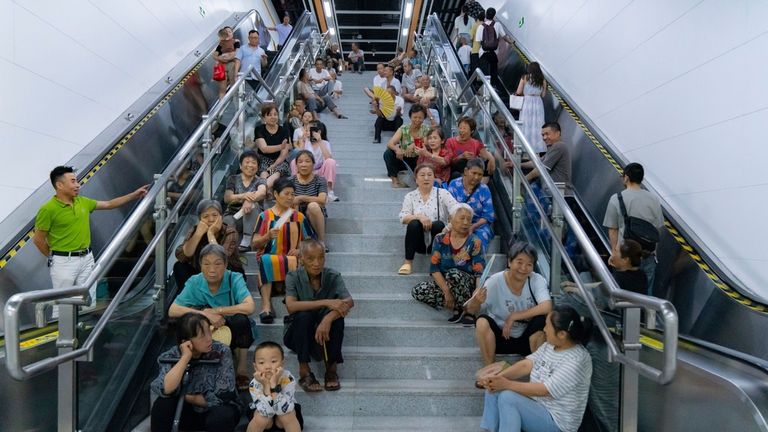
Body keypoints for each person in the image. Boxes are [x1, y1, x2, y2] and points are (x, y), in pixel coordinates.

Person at [33, 166, 148, 316]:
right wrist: (54, 257)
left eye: (77, 181)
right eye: (73, 181)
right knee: (63, 306)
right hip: (63, 262)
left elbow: (109, 204)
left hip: (87, 258)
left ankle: (84, 335)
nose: (77, 185)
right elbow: (38, 240)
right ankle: (61, 337)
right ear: (60, 185)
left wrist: (133, 195)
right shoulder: (48, 209)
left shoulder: (82, 202)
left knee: (88, 301)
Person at [476, 306, 594, 432]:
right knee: (494, 388)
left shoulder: (577, 360)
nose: (544, 329)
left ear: (562, 334)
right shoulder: (550, 345)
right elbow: (526, 364)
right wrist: (496, 379)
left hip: (557, 423)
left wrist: (506, 384)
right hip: (537, 406)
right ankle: (489, 430)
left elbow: (544, 390)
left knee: (508, 397)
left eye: (547, 326)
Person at [170, 244, 257, 388]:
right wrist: (205, 314)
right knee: (187, 322)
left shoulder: (234, 278)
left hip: (231, 326)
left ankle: (241, 369)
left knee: (241, 320)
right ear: (200, 265)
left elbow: (250, 306)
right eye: (206, 264)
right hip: (208, 330)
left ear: (225, 265)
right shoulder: (195, 281)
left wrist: (217, 311)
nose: (212, 270)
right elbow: (173, 310)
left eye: (217, 264)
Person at [150, 313, 241, 432]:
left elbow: (223, 396)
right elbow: (166, 389)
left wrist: (187, 397)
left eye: (209, 331)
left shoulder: (221, 351)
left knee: (222, 415)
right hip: (186, 411)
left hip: (214, 410)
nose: (209, 338)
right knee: (161, 406)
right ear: (186, 341)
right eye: (202, 336)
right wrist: (185, 358)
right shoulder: (170, 355)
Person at [284, 239, 354, 392]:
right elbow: (291, 306)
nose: (317, 263)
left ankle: (331, 369)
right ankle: (304, 370)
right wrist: (326, 302)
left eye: (321, 257)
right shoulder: (293, 276)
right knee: (303, 316)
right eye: (310, 258)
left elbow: (349, 301)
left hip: (324, 336)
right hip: (297, 335)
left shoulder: (332, 275)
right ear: (301, 259)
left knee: (337, 318)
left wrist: (327, 319)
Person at [466, 242, 552, 365]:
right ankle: (490, 369)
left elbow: (547, 306)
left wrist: (514, 316)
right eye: (519, 262)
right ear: (509, 262)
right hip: (500, 337)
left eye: (529, 264)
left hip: (527, 338)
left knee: (541, 319)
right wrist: (476, 301)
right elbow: (471, 310)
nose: (523, 268)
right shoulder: (494, 281)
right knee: (482, 321)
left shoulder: (536, 279)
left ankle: (537, 370)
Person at [251, 177, 314, 323]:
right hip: (269, 255)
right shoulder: (264, 216)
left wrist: (300, 251)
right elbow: (254, 244)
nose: (290, 197)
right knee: (266, 259)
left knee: (293, 260)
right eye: (286, 193)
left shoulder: (299, 217)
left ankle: (291, 306)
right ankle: (266, 306)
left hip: (293, 256)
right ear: (275, 194)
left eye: (292, 194)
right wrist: (267, 236)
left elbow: (310, 243)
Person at [411, 204, 485, 323]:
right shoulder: (439, 239)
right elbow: (434, 269)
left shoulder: (475, 241)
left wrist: (476, 294)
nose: (466, 222)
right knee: (419, 290)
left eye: (469, 219)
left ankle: (467, 310)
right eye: (462, 218)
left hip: (467, 285)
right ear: (450, 219)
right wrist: (446, 291)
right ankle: (458, 305)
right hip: (447, 284)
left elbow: (479, 271)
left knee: (453, 274)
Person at [602, 162, 663, 294]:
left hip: (626, 256)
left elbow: (612, 229)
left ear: (626, 177)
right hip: (648, 255)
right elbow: (657, 229)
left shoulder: (617, 198)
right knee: (646, 295)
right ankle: (647, 315)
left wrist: (614, 252)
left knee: (622, 294)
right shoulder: (654, 199)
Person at [397, 164, 459, 275]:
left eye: (430, 175)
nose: (426, 178)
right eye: (422, 175)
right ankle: (408, 262)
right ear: (416, 179)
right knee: (414, 223)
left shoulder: (443, 193)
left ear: (434, 178)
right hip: (418, 241)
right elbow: (403, 216)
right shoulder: (410, 196)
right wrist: (420, 217)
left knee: (439, 224)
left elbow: (457, 208)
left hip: (438, 237)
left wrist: (450, 225)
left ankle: (438, 262)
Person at [175, 200, 244, 290]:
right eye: (205, 216)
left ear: (220, 217)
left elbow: (220, 258)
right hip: (202, 273)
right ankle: (190, 301)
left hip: (226, 272)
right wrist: (198, 235)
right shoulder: (195, 230)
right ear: (200, 219)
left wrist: (211, 234)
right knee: (179, 266)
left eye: (214, 215)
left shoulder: (230, 231)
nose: (211, 219)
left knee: (226, 267)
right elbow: (181, 255)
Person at [247, 341, 301, 432]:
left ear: (282, 363)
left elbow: (285, 409)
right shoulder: (254, 383)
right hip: (264, 417)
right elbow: (265, 411)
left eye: (273, 361)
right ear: (255, 367)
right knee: (261, 417)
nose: (268, 366)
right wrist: (266, 385)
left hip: (285, 412)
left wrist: (273, 384)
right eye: (261, 362)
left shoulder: (288, 378)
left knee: (287, 416)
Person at [447, 158, 496, 251]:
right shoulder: (454, 185)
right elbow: (450, 209)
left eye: (480, 174)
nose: (477, 177)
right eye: (474, 173)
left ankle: (477, 264)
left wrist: (473, 226)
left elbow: (488, 215)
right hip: (457, 222)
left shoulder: (484, 189)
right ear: (466, 171)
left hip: (478, 225)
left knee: (480, 237)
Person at [223, 150, 268, 247]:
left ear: (258, 167)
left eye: (254, 162)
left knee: (252, 205)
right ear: (240, 165)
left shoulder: (261, 180)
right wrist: (243, 195)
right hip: (234, 216)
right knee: (227, 222)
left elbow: (262, 192)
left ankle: (247, 239)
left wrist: (249, 200)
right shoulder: (233, 179)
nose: (250, 165)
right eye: (247, 162)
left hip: (255, 219)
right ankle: (229, 246)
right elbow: (227, 197)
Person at [383, 104, 433, 188]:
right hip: (404, 158)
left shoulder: (426, 129)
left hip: (419, 159)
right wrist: (397, 149)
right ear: (410, 117)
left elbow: (427, 142)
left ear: (424, 118)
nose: (417, 120)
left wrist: (414, 144)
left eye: (420, 117)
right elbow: (390, 143)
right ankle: (394, 179)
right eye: (415, 117)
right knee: (388, 153)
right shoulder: (403, 129)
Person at [291, 125, 338, 202]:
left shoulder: (325, 143)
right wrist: (302, 141)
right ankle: (295, 188)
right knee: (294, 162)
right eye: (306, 130)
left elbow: (328, 158)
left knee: (331, 162)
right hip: (306, 169)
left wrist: (319, 141)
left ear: (318, 132)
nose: (307, 132)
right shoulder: (305, 142)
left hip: (320, 171)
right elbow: (299, 157)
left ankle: (329, 191)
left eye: (310, 130)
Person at [292, 151, 329, 245]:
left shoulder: (320, 180)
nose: (303, 164)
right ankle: (296, 241)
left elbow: (322, 200)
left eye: (307, 161)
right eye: (300, 162)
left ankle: (321, 242)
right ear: (296, 165)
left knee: (313, 206)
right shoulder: (290, 181)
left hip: (315, 215)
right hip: (296, 213)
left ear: (313, 164)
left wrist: (301, 198)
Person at [253, 103, 292, 188]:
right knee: (263, 172)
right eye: (269, 115)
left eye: (275, 114)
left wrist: (274, 165)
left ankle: (263, 190)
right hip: (263, 159)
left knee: (276, 172)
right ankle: (266, 191)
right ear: (264, 118)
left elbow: (284, 154)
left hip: (280, 161)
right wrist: (280, 146)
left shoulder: (284, 130)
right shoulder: (259, 129)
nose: (273, 117)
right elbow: (264, 149)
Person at [475, 8, 514, 90]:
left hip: (483, 52)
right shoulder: (497, 25)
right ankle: (493, 87)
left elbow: (478, 42)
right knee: (493, 71)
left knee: (483, 72)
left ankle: (483, 89)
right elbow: (504, 37)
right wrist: (512, 42)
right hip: (493, 53)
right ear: (494, 16)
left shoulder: (480, 27)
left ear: (486, 15)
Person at [514, 62, 547, 154]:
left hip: (527, 102)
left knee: (526, 124)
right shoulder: (542, 80)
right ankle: (537, 150)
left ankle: (525, 150)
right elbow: (543, 95)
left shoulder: (525, 78)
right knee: (538, 125)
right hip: (538, 103)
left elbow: (519, 91)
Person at [213, 26, 241, 98]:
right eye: (226, 32)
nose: (228, 33)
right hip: (221, 65)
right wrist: (220, 58)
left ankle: (236, 105)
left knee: (233, 86)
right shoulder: (221, 44)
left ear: (232, 33)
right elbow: (214, 55)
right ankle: (221, 106)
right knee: (222, 88)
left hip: (231, 64)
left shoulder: (235, 41)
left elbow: (236, 53)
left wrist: (227, 56)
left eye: (229, 32)